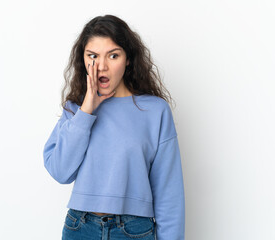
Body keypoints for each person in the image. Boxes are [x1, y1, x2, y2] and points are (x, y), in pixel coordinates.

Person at [43, 14, 185, 240]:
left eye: (113, 55)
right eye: (93, 56)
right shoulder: (76, 110)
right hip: (80, 228)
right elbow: (60, 171)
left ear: (128, 59)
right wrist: (86, 111)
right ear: (83, 60)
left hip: (134, 231)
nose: (102, 66)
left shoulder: (155, 111)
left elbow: (169, 195)